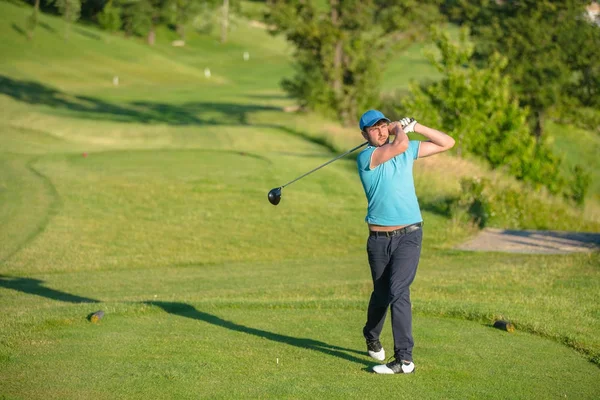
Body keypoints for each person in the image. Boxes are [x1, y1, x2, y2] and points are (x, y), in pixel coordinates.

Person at [356, 109, 455, 374]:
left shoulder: (406, 149)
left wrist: (416, 126)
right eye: (373, 128)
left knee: (399, 290)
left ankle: (404, 359)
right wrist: (399, 128)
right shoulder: (367, 157)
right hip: (378, 240)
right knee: (381, 294)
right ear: (364, 134)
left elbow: (448, 143)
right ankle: (371, 334)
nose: (379, 131)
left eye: (382, 126)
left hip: (410, 234)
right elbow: (399, 143)